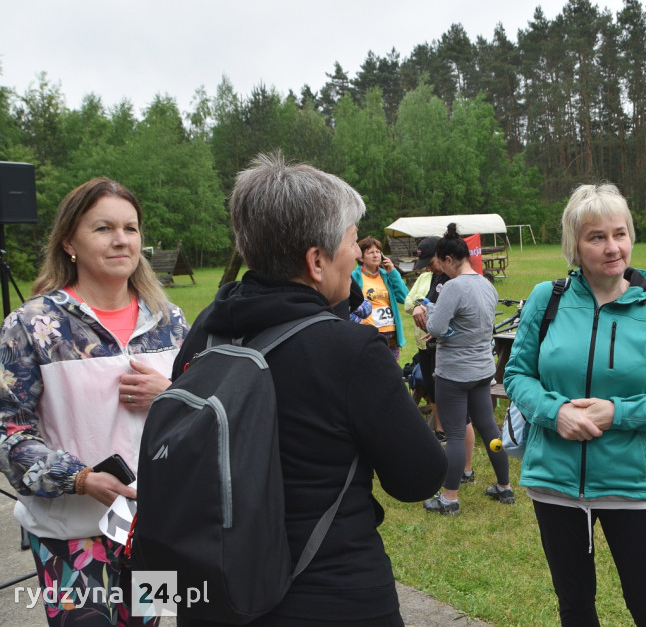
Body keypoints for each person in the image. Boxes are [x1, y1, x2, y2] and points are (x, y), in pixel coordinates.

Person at [174, 153, 446, 626]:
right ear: (315, 261)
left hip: (217, 592)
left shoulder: (206, 332)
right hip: (331, 593)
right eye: (349, 242)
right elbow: (419, 477)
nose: (358, 255)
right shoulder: (350, 350)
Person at [503, 183, 646, 625]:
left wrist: (619, 413)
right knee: (574, 608)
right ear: (575, 244)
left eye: (620, 233)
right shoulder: (545, 298)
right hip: (553, 481)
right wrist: (556, 413)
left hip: (630, 483)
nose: (613, 248)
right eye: (597, 237)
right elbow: (516, 375)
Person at [0, 178, 189, 627]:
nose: (121, 239)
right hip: (71, 535)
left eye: (131, 227)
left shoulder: (169, 322)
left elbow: (204, 413)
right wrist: (81, 479)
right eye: (103, 228)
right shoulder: (33, 325)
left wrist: (172, 394)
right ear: (69, 240)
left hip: (155, 529)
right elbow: (8, 431)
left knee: (149, 623)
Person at [422, 223, 510, 515]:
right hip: (483, 370)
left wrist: (428, 312)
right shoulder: (486, 283)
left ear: (449, 259)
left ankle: (449, 498)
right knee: (489, 429)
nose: (440, 271)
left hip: (455, 373)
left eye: (440, 264)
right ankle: (504, 486)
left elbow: (435, 327)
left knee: (456, 434)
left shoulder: (453, 286)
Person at [406, 237, 476, 479]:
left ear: (443, 256)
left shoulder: (457, 281)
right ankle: (462, 469)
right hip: (435, 351)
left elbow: (444, 322)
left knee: (460, 419)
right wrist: (419, 306)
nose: (428, 267)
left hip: (452, 356)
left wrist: (432, 318)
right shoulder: (437, 276)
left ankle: (461, 476)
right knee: (453, 414)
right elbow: (426, 301)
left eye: (431, 261)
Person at [351, 236, 409, 360]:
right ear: (361, 257)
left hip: (391, 334)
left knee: (392, 373)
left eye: (378, 252)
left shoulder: (386, 275)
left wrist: (393, 272)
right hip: (369, 333)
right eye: (370, 252)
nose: (375, 255)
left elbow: (404, 297)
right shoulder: (355, 277)